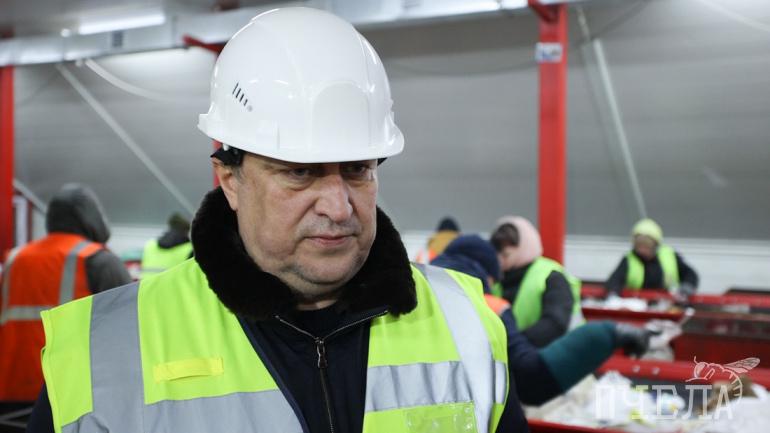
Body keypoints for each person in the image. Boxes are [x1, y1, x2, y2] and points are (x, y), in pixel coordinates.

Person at [27, 8, 520, 433]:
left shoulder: (466, 324)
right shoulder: (103, 354)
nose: (338, 207)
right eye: (300, 172)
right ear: (230, 180)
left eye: (357, 169)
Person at [432, 235, 654, 408]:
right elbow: (531, 379)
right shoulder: (489, 308)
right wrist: (607, 334)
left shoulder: (414, 296)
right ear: (486, 273)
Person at [0, 184, 130, 402]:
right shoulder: (98, 260)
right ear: (92, 218)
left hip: (10, 392)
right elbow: (128, 332)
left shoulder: (14, 260)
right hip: (67, 396)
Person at [490, 215, 583, 347]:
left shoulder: (551, 276)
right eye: (496, 254)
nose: (500, 261)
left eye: (506, 255)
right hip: (519, 353)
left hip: (556, 354)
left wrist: (514, 343)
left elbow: (556, 322)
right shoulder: (497, 280)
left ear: (524, 248)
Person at [605, 218, 699, 297]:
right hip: (638, 304)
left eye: (646, 246)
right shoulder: (629, 259)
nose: (642, 250)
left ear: (655, 245)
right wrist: (613, 294)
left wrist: (687, 286)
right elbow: (614, 280)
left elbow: (690, 274)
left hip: (668, 304)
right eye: (639, 246)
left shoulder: (669, 255)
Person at [140, 212, 193, 278]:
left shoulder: (150, 244)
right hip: (172, 284)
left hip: (145, 284)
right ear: (186, 231)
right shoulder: (190, 249)